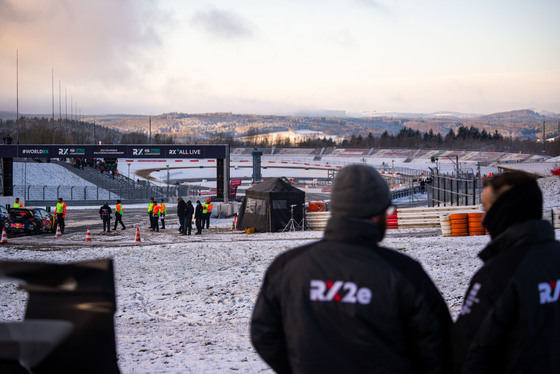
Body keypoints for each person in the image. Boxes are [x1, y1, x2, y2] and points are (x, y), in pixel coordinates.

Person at [251, 164, 452, 373]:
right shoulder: (404, 273)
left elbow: (264, 334)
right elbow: (441, 347)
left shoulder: (288, 267)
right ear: (377, 213)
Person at [453, 171, 560, 373]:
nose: (483, 219)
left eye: (486, 209)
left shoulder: (498, 275)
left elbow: (466, 352)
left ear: (503, 212)